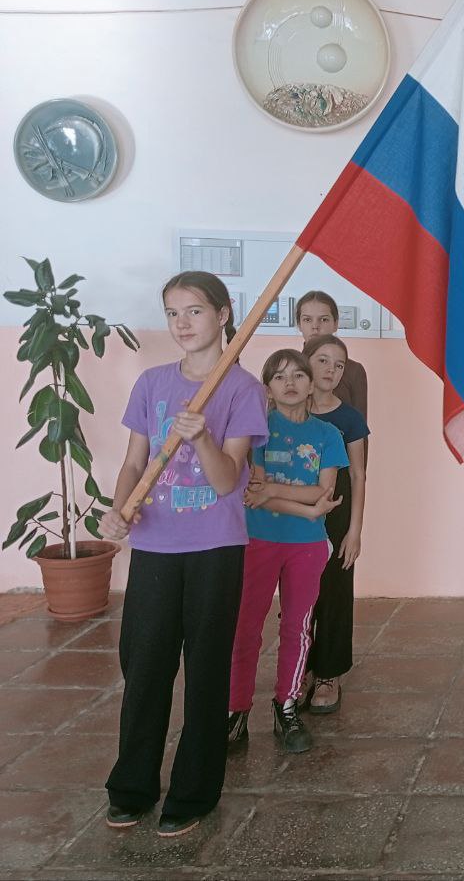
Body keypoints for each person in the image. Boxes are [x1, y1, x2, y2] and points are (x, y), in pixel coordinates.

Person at [99, 271, 268, 838]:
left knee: (206, 669)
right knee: (144, 666)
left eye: (194, 311)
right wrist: (119, 510)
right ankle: (132, 786)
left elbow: (226, 481)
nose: (182, 323)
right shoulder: (152, 383)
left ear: (223, 314)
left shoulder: (243, 390)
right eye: (173, 313)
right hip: (154, 547)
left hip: (215, 549)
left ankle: (194, 792)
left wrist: (200, 437)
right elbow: (134, 462)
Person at [226, 350, 347, 755]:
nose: (290, 383)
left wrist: (283, 495)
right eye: (279, 377)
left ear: (312, 384)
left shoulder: (328, 435)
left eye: (298, 375)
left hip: (307, 547)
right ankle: (236, 710)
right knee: (245, 627)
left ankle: (287, 704)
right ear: (267, 389)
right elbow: (254, 495)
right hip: (258, 541)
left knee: (297, 627)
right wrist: (307, 506)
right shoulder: (256, 430)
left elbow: (323, 492)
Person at [300, 334, 371, 713]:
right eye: (323, 360)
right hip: (295, 515)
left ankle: (329, 673)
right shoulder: (288, 412)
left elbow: (358, 475)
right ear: (306, 362)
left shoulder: (349, 419)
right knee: (300, 595)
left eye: (339, 364)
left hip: (337, 517)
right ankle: (301, 667)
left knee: (335, 593)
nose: (331, 370)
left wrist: (354, 530)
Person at [295, 291, 368, 420]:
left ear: (335, 324)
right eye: (307, 320)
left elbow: (360, 425)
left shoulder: (353, 370)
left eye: (324, 319)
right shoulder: (288, 367)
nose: (315, 326)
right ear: (299, 325)